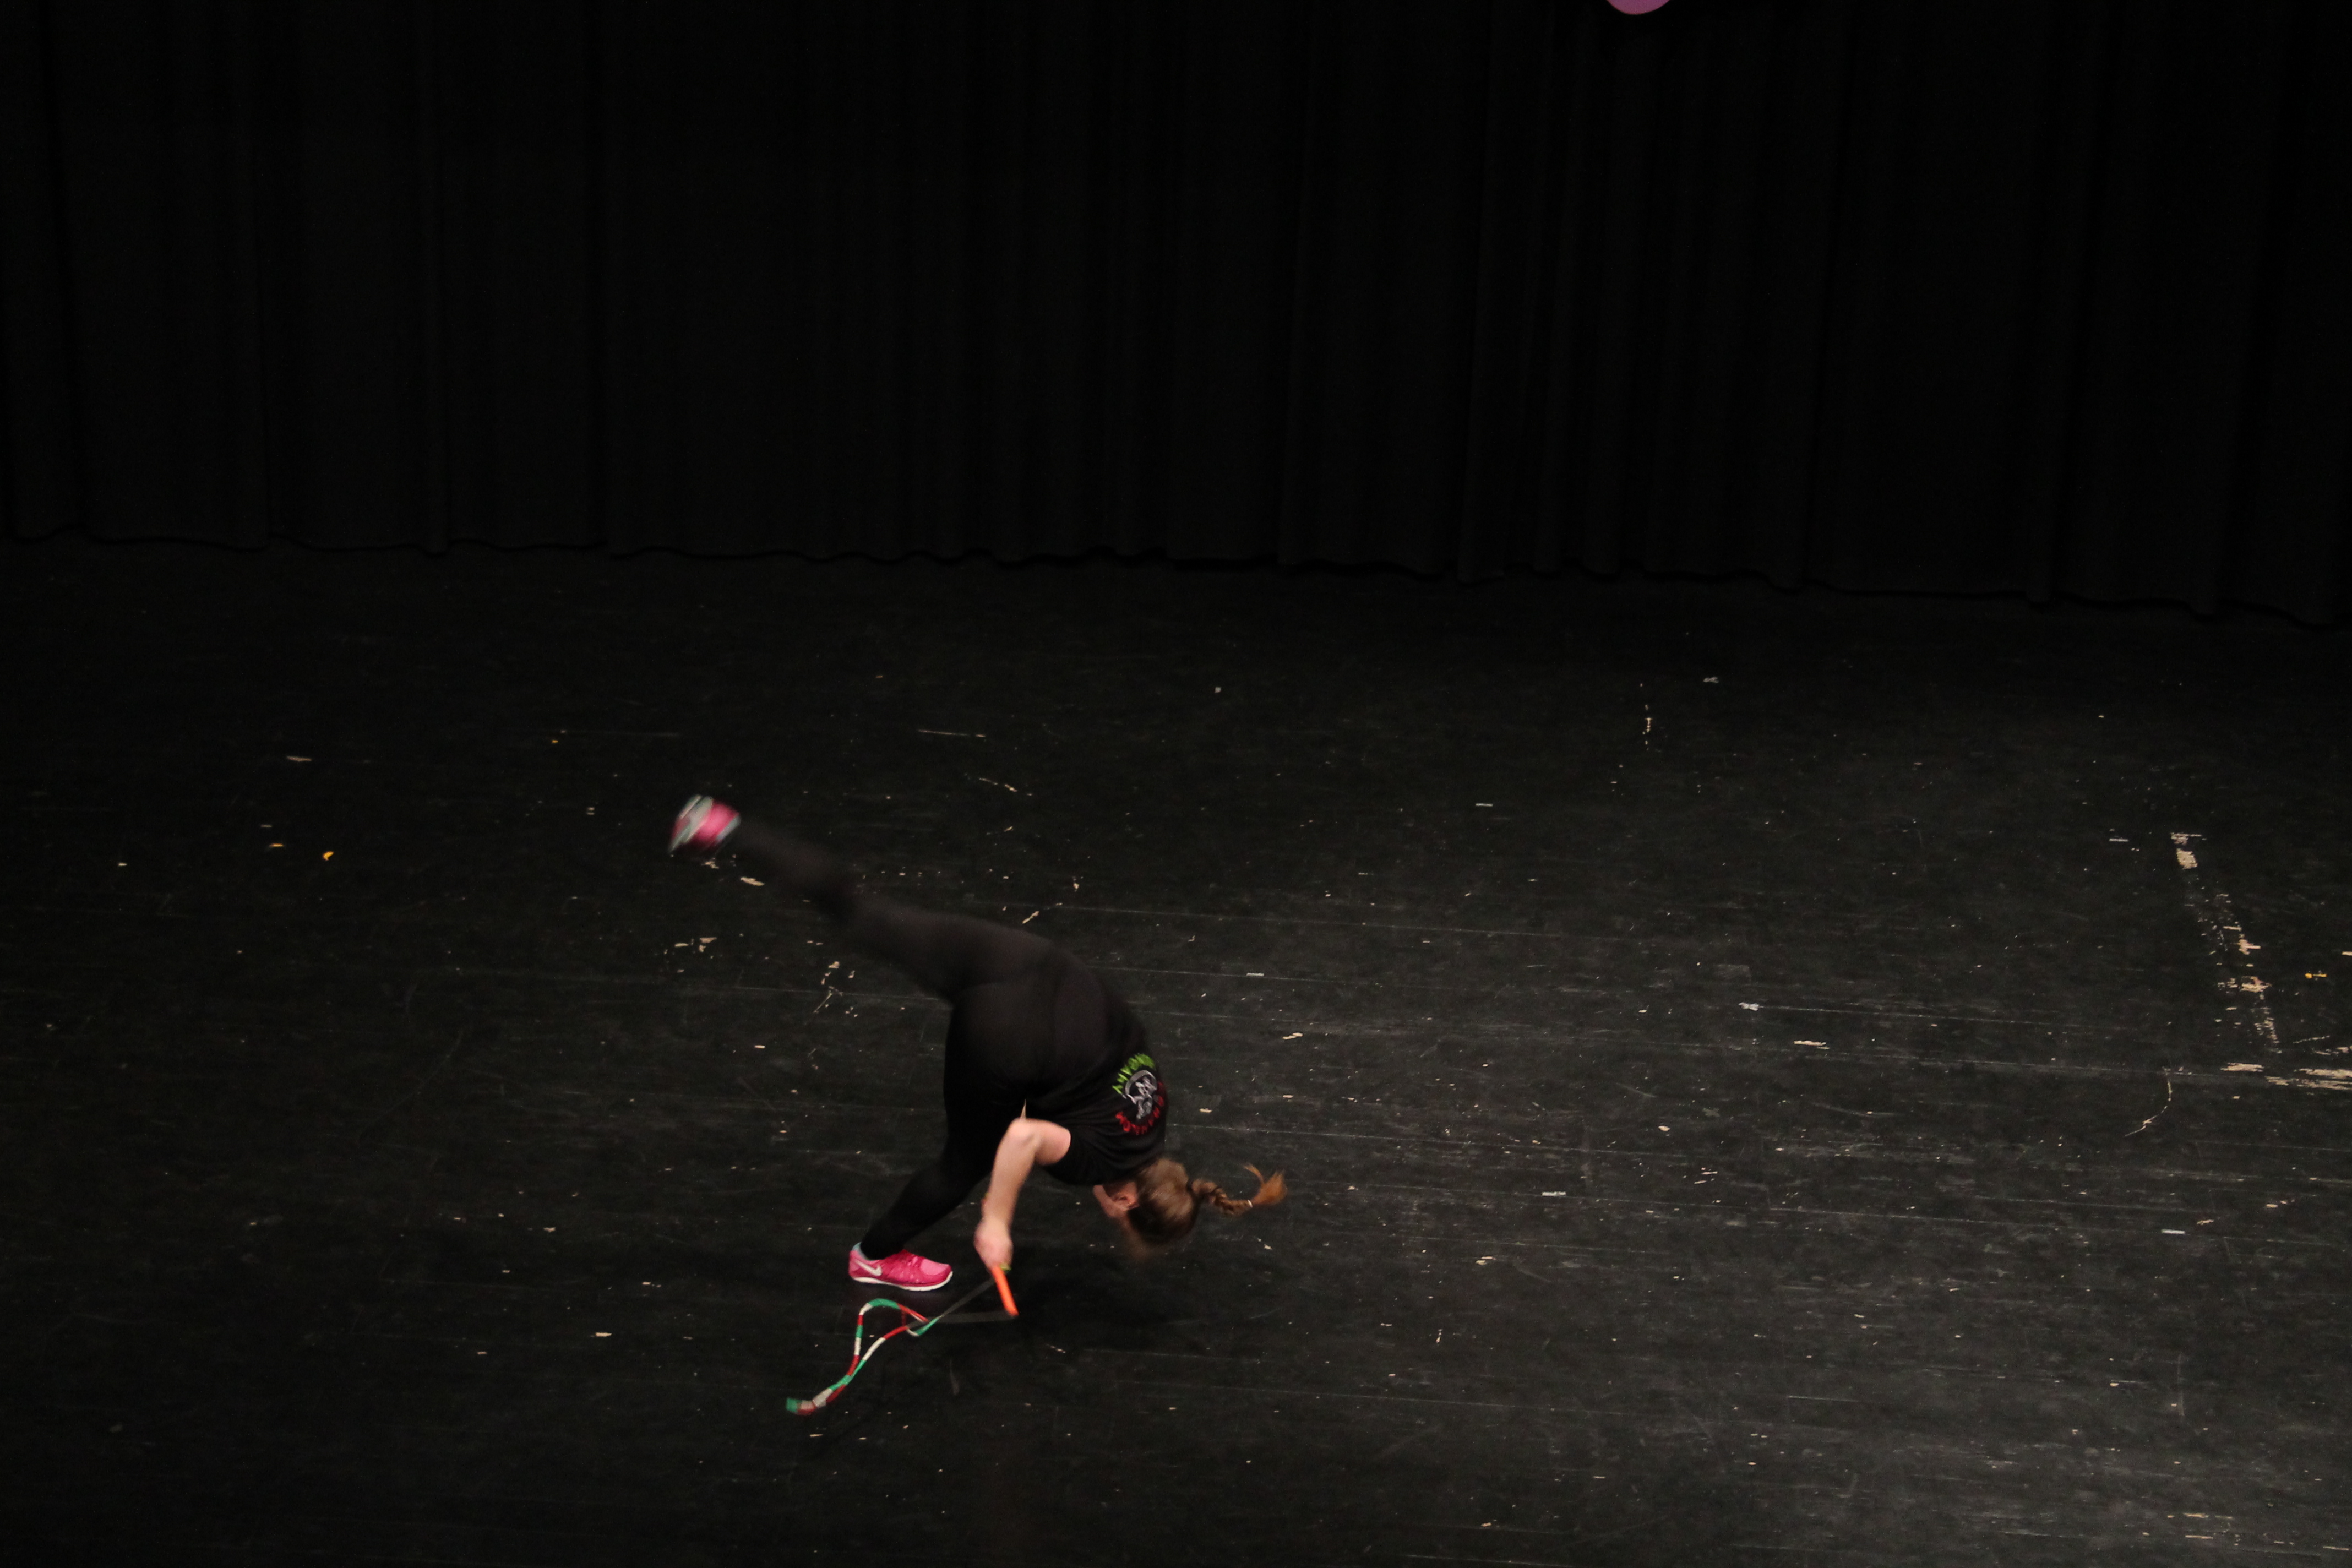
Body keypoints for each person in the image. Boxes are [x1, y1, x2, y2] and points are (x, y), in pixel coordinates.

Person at [669, 796, 1286, 1290]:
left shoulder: (1154, 1111)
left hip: (1033, 963)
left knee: (861, 912)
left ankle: (724, 829)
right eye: (1118, 1218)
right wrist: (996, 1219)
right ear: (1127, 1200)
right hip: (1009, 1034)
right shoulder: (1098, 1166)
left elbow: (1085, 1078)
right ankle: (874, 1257)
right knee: (963, 1164)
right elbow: (1023, 1137)